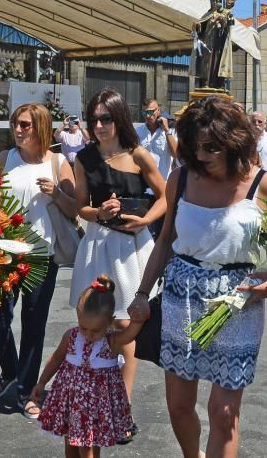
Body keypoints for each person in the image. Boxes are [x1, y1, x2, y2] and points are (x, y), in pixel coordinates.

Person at [129, 95, 267, 458]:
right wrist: (141, 294)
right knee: (179, 406)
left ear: (235, 143)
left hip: (237, 302)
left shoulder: (265, 186)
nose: (201, 154)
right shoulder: (180, 178)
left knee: (224, 412)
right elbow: (166, 239)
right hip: (180, 296)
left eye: (211, 147)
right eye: (194, 145)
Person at [71, 89, 166, 441]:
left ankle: (120, 406)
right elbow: (80, 206)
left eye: (106, 118)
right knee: (97, 321)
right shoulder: (83, 158)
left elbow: (166, 196)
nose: (99, 125)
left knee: (128, 321)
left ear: (119, 118)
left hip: (133, 247)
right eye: (94, 119)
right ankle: (99, 398)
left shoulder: (139, 155)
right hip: (99, 244)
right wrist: (99, 212)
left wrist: (145, 221)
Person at [0, 103, 76, 419]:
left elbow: (74, 209)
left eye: (25, 124)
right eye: (16, 123)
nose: (18, 129)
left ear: (40, 127)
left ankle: (27, 389)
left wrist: (56, 193)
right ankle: (10, 369)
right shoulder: (4, 159)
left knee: (34, 323)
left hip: (41, 254)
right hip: (3, 253)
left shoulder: (58, 163)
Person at [34, 274, 141, 456]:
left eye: (95, 330)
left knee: (89, 447)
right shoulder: (72, 336)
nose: (89, 335)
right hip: (71, 402)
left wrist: (138, 317)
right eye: (83, 327)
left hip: (96, 408)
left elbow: (131, 333)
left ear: (109, 322)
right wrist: (42, 382)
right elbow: (56, 358)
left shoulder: (112, 341)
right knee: (70, 444)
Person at [135, 99, 177, 238]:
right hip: (143, 188)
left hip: (164, 189)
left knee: (163, 232)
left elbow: (176, 153)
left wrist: (166, 130)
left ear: (158, 111)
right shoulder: (138, 131)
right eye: (144, 112)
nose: (148, 116)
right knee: (145, 232)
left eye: (151, 112)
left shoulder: (170, 130)